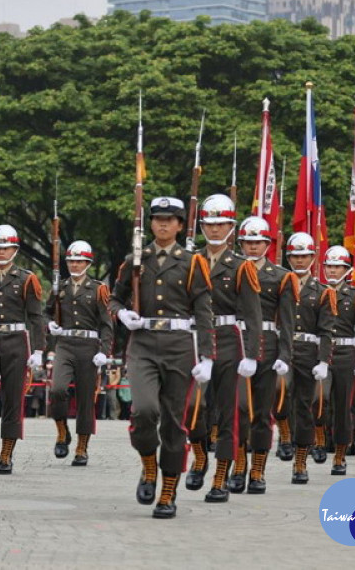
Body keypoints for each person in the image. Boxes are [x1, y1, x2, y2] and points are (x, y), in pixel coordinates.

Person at [111, 196, 215, 519]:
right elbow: (114, 298)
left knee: (173, 423)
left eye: (170, 219)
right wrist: (122, 314)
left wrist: (207, 356)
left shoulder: (192, 262)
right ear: (150, 223)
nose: (163, 224)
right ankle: (148, 465)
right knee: (143, 411)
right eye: (157, 219)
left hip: (179, 345)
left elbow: (204, 310)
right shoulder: (135, 259)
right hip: (142, 343)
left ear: (181, 225)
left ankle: (168, 490)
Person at [184, 194, 262, 502]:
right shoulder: (191, 260)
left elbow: (254, 315)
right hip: (196, 338)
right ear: (202, 226)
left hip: (230, 339)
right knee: (194, 407)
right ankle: (200, 454)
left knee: (230, 411)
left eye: (221, 224)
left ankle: (220, 477)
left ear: (231, 226)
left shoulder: (241, 266)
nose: (215, 230)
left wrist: (253, 355)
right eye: (210, 224)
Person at [230, 216, 297, 495]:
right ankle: (237, 465)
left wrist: (285, 354)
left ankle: (258, 468)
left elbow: (288, 321)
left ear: (268, 245)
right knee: (238, 409)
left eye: (258, 242)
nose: (253, 247)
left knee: (261, 412)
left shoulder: (281, 277)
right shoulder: (230, 270)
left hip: (268, 346)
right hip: (236, 342)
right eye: (248, 242)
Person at [0, 224, 46, 475]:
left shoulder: (27, 279)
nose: (1, 252)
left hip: (16, 340)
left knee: (13, 399)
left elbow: (36, 318)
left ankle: (6, 453)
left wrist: (38, 350)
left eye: (5, 248)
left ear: (15, 249)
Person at [46, 240, 114, 466]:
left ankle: (82, 447)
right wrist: (50, 325)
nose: (75, 265)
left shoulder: (98, 289)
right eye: (72, 261)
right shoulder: (60, 288)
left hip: (88, 347)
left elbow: (106, 323)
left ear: (88, 262)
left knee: (86, 399)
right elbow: (45, 313)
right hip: (65, 343)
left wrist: (104, 351)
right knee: (57, 390)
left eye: (79, 261)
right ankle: (62, 431)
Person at [282, 233, 334, 484]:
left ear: (313, 258)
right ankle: (283, 437)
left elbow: (326, 330)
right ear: (288, 257)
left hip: (307, 353)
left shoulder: (322, 292)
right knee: (279, 395)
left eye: (304, 256)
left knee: (303, 406)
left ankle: (300, 460)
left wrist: (323, 360)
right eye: (295, 256)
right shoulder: (279, 283)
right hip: (281, 349)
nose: (299, 260)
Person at [320, 246, 355, 474]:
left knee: (343, 407)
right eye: (329, 266)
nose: (332, 271)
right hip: (321, 353)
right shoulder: (318, 291)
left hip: (345, 355)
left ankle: (340, 456)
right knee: (318, 400)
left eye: (337, 267)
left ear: (346, 269)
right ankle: (319, 442)